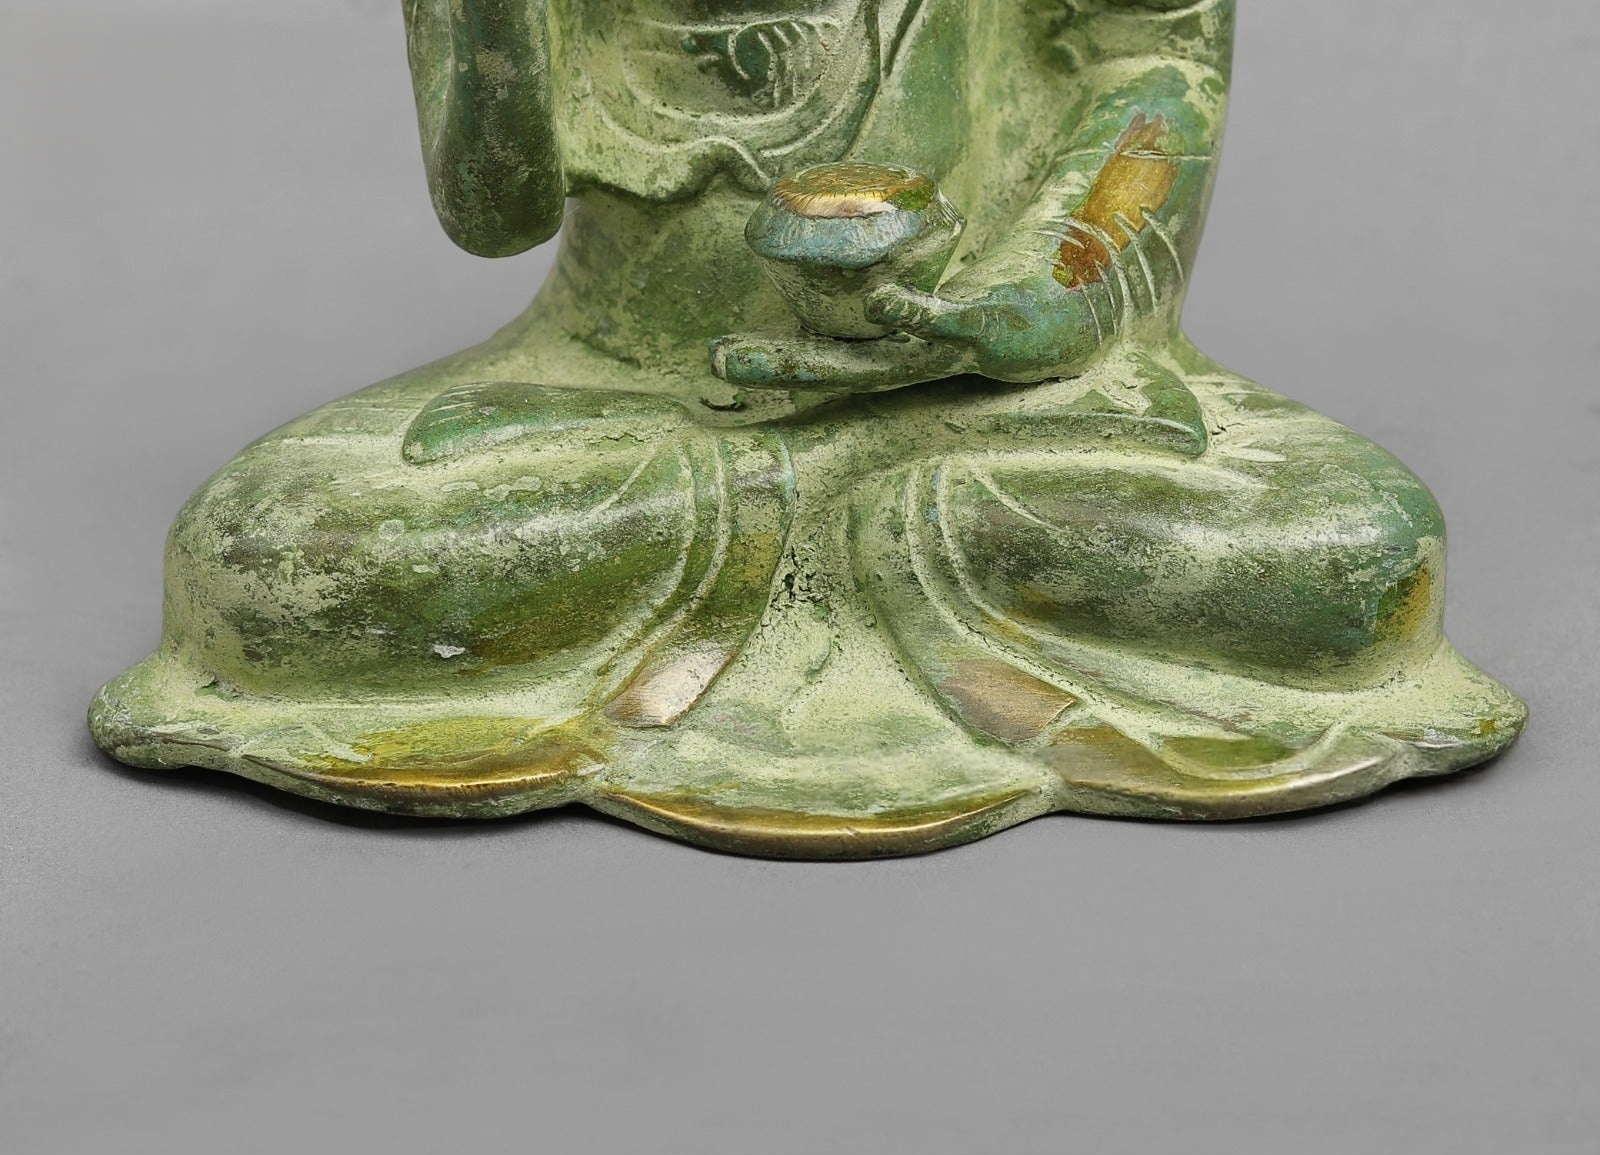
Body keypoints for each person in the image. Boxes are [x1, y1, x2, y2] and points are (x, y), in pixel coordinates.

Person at [92, 0, 1523, 855]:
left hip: (1001, 409)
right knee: (273, 554)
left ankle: (820, 538)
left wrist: (1039, 301)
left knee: (1353, 547)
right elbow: (494, 206)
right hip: (633, 391)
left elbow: (1147, 60)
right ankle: (856, 539)